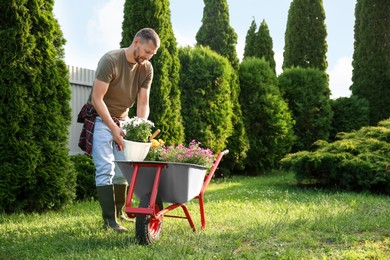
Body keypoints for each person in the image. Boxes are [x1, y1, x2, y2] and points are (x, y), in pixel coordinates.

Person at [77, 28, 160, 232]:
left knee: (123, 171)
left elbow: (143, 102)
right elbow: (97, 99)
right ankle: (109, 221)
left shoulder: (146, 69)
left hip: (123, 121)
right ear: (137, 41)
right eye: (147, 52)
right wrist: (112, 127)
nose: (148, 57)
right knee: (106, 168)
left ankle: (120, 213)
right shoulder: (111, 60)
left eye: (152, 54)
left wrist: (139, 127)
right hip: (100, 119)